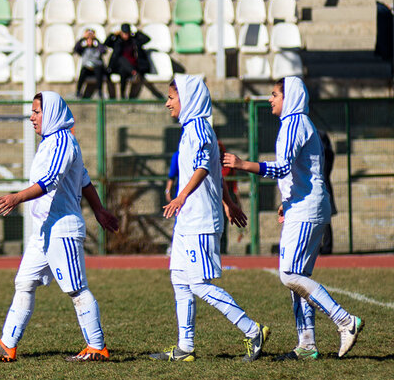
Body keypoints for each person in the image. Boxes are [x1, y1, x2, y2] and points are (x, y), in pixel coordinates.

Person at [223, 77, 363, 361]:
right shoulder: (296, 124)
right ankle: (307, 343)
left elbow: (282, 167)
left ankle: (345, 320)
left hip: (307, 209)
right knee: (299, 277)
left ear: (291, 98)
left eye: (275, 94)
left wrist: (242, 164)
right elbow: (299, 171)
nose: (270, 99)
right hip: (303, 206)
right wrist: (286, 201)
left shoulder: (294, 123)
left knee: (289, 275)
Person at [0, 91, 120, 363]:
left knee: (76, 289)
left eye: (37, 112)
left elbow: (52, 180)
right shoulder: (51, 142)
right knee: (24, 282)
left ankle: (97, 346)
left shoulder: (63, 140)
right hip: (44, 231)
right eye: (32, 112)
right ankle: (7, 345)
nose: (32, 117)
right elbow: (85, 181)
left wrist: (17, 197)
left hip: (62, 229)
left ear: (51, 113)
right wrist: (99, 210)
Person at [150, 75, 269, 362]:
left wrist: (181, 197)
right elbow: (216, 173)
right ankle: (185, 347)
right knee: (179, 279)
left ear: (187, 99)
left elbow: (204, 167)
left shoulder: (200, 129)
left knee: (199, 284)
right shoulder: (192, 128)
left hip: (199, 219)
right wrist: (227, 202)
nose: (167, 103)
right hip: (188, 219)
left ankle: (253, 330)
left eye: (171, 97)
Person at [166, 141, 238, 253]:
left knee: (217, 232)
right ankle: (178, 249)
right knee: (183, 230)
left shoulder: (212, 161)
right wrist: (176, 194)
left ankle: (220, 252)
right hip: (187, 203)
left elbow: (217, 179)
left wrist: (228, 203)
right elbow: (172, 176)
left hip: (206, 205)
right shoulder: (180, 155)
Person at [104, 23, 151, 99]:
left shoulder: (134, 40)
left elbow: (147, 39)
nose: (126, 35)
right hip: (118, 66)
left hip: (132, 65)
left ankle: (124, 96)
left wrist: (136, 32)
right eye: (124, 33)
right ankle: (133, 74)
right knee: (121, 60)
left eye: (127, 33)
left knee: (123, 71)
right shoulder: (117, 41)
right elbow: (106, 43)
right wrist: (114, 34)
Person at [73, 28, 109, 99]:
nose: (89, 41)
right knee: (83, 71)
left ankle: (99, 91)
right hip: (87, 69)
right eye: (88, 39)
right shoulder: (83, 49)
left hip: (96, 68)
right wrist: (83, 38)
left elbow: (103, 50)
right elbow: (76, 49)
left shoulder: (97, 48)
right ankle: (78, 91)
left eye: (91, 39)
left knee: (99, 70)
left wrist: (96, 40)